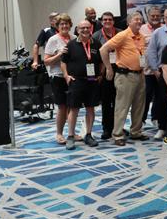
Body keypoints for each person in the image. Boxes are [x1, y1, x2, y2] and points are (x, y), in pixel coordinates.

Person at [100, 12, 148, 146]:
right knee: (122, 107)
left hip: (140, 74)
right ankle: (118, 135)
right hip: (125, 76)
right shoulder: (122, 35)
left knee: (139, 106)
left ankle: (136, 132)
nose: (139, 21)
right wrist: (109, 68)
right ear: (129, 22)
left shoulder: (141, 37)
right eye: (136, 19)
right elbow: (103, 49)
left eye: (140, 19)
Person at [61, 19, 102, 150]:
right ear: (77, 30)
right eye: (82, 28)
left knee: (90, 108)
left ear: (91, 29)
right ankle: (70, 136)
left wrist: (100, 74)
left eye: (87, 27)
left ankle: (88, 135)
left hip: (92, 81)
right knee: (74, 109)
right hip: (76, 81)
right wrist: (66, 76)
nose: (85, 30)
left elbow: (101, 61)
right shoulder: (71, 45)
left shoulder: (96, 44)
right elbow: (63, 62)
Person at [146, 8, 167, 139]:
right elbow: (151, 52)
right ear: (164, 18)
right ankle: (162, 127)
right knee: (161, 101)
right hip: (162, 72)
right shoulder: (158, 33)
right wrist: (155, 70)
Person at [43, 13, 73, 144]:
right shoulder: (53, 40)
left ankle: (72, 132)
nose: (64, 26)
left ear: (70, 25)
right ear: (57, 26)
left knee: (72, 106)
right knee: (62, 106)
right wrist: (59, 55)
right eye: (62, 24)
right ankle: (59, 134)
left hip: (72, 76)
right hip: (58, 77)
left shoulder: (74, 38)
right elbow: (46, 61)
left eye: (67, 23)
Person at [93, 11, 121, 140]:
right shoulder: (96, 35)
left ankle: (118, 127)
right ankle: (106, 128)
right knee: (106, 101)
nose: (107, 21)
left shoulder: (121, 33)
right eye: (105, 20)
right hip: (104, 71)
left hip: (120, 70)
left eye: (110, 19)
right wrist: (99, 73)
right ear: (101, 22)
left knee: (119, 102)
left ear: (113, 21)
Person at [141, 6, 162, 126]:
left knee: (159, 96)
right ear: (148, 16)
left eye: (157, 16)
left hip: (160, 69)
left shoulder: (164, 29)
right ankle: (141, 119)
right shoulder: (141, 29)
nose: (155, 18)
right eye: (152, 16)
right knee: (146, 96)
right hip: (146, 70)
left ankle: (156, 117)